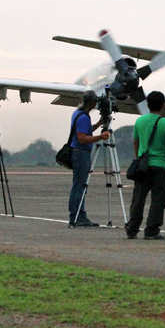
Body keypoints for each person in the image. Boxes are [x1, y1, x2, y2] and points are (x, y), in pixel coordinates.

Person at [126, 91, 165, 240]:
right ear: (163, 105)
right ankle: (151, 230)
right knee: (159, 199)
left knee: (138, 198)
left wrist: (138, 158)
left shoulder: (140, 121)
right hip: (160, 165)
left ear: (147, 105)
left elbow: (135, 142)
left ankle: (132, 228)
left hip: (143, 166)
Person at [68, 90, 109, 227]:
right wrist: (100, 137)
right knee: (80, 185)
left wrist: (98, 125)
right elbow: (82, 138)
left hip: (78, 152)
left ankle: (77, 214)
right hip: (81, 153)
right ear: (91, 103)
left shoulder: (78, 114)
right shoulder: (84, 117)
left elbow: (85, 131)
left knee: (78, 184)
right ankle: (77, 216)